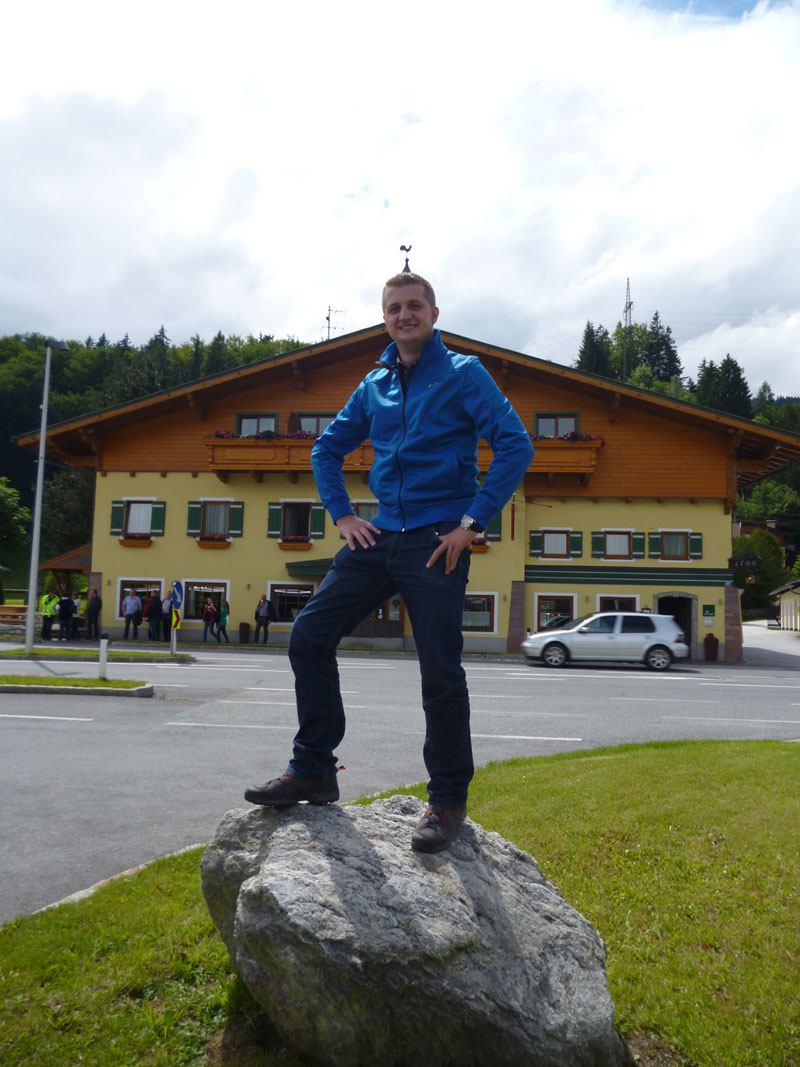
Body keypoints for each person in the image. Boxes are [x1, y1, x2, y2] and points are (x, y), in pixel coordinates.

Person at [245, 271, 534, 854]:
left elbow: (515, 445)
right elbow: (325, 449)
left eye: (414, 306)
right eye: (394, 308)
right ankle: (313, 770)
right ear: (385, 318)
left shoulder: (464, 373)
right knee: (308, 634)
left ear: (433, 313)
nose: (405, 315)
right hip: (379, 535)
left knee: (440, 670)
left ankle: (447, 800)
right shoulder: (374, 383)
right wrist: (343, 515)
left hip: (436, 539)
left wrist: (472, 524)